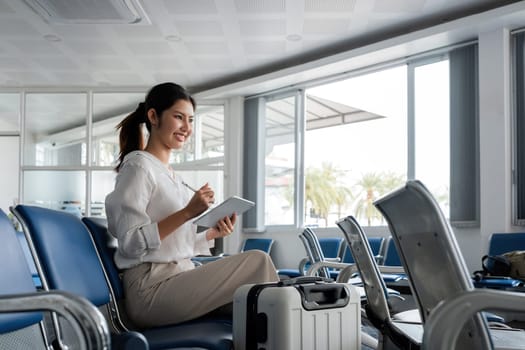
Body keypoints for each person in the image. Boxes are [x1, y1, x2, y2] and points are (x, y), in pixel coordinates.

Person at [105, 82, 279, 328]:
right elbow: (131, 243)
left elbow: (171, 244)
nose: (187, 128)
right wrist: (187, 212)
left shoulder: (169, 174)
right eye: (178, 117)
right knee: (258, 262)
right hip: (149, 290)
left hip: (177, 276)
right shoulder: (138, 166)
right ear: (153, 116)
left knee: (252, 302)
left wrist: (212, 233)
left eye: (191, 120)